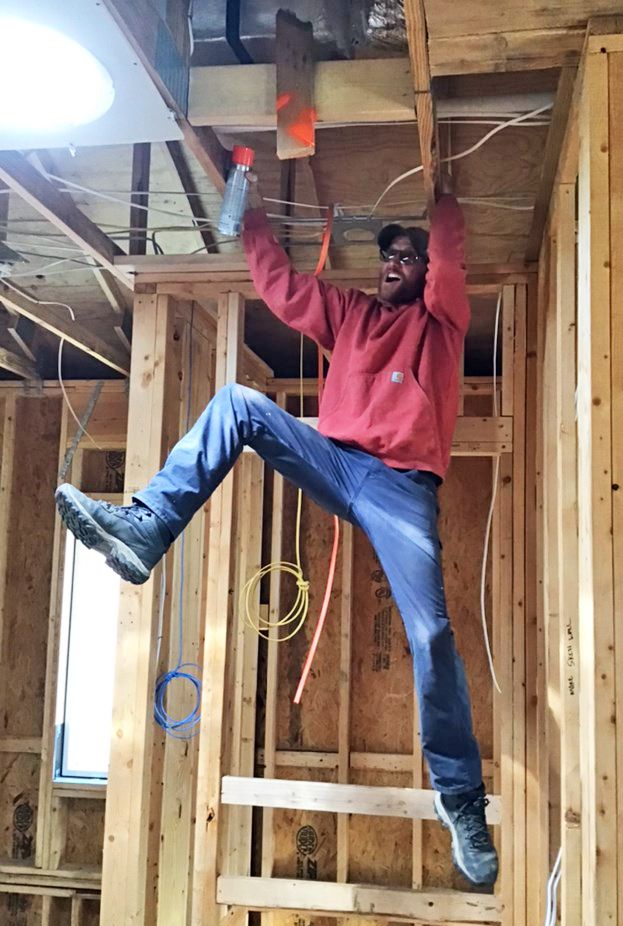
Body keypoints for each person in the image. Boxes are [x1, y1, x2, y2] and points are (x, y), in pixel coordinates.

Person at [54, 174, 499, 888]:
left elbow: (449, 256)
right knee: (237, 404)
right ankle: (146, 528)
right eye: (388, 255)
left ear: (426, 274)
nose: (395, 263)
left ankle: (460, 800)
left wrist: (444, 191)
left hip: (401, 488)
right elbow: (284, 289)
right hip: (336, 459)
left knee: (431, 634)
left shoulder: (439, 323)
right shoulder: (350, 314)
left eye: (408, 257)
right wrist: (252, 215)